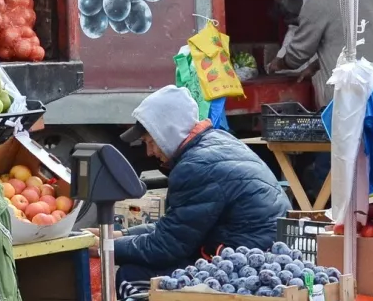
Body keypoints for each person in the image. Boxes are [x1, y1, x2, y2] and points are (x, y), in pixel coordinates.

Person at [113, 86, 286, 282]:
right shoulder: (218, 141)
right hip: (261, 248)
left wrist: (104, 248)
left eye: (150, 142)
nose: (149, 153)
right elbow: (177, 227)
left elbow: (166, 247)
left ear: (168, 132)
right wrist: (119, 234)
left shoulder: (196, 167)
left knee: (132, 275)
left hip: (247, 265)